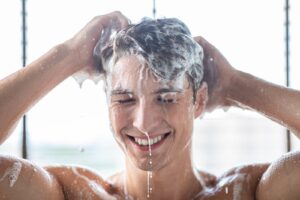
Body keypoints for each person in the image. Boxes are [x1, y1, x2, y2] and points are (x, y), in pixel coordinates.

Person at [0, 11, 300, 200]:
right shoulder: (68, 193)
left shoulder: (250, 191)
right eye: (125, 99)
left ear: (199, 101)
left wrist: (236, 85)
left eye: (166, 98)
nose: (143, 123)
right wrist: (67, 54)